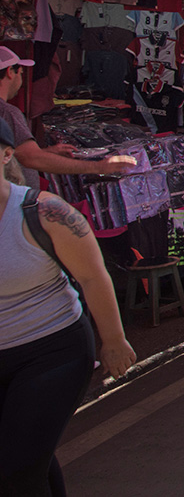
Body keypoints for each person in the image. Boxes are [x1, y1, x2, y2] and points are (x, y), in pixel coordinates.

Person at [0, 118, 136, 495]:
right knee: (28, 458)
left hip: (51, 350)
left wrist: (113, 340)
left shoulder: (46, 213)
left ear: (7, 155)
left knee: (15, 472)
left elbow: (94, 277)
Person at [0, 47, 134, 187]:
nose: (21, 79)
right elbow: (30, 158)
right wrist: (97, 167)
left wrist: (45, 152)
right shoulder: (8, 112)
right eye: (20, 73)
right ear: (10, 72)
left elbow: (17, 155)